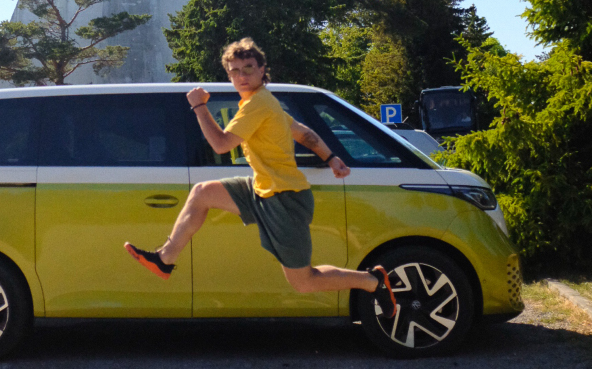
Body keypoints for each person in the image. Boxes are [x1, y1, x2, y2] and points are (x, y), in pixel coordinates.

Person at [125, 37, 397, 318]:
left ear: (262, 69)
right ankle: (164, 259)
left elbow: (220, 144)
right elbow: (301, 131)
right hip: (262, 190)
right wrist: (330, 157)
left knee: (304, 282)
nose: (242, 76)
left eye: (248, 68)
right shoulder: (264, 101)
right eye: (235, 71)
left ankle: (372, 280)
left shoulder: (258, 104)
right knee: (202, 192)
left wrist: (199, 107)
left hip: (286, 200)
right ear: (229, 74)